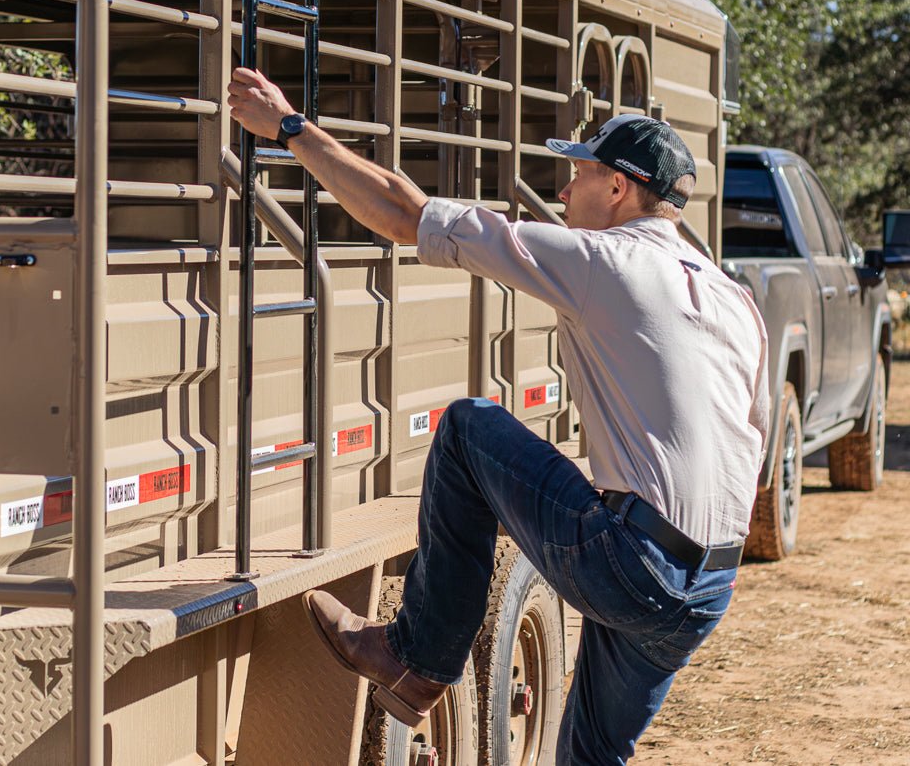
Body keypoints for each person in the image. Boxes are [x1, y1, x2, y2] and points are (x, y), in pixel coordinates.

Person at [227, 67, 769, 764]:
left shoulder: (603, 261)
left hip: (635, 563)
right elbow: (751, 445)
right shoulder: (734, 299)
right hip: (710, 586)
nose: (563, 192)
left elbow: (404, 214)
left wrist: (290, 129)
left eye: (578, 175)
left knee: (467, 428)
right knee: (591, 755)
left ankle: (416, 659)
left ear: (618, 188)